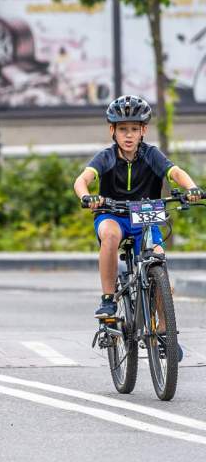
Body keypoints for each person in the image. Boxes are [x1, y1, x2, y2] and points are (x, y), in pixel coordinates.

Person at [73, 95, 202, 322]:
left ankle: (165, 332)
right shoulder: (106, 157)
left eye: (134, 128)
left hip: (145, 217)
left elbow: (176, 173)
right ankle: (108, 300)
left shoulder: (151, 155)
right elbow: (81, 180)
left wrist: (191, 188)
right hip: (112, 214)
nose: (129, 134)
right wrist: (87, 197)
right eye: (123, 129)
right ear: (112, 130)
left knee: (159, 262)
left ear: (144, 130)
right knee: (111, 235)